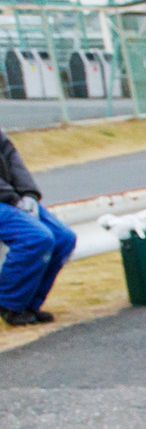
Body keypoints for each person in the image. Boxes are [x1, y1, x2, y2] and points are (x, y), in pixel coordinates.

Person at [0, 127, 75, 327]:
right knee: (36, 237)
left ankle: (29, 305)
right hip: (7, 199)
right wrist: (14, 199)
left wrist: (29, 194)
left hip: (10, 199)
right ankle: (9, 303)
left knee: (64, 238)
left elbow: (11, 156)